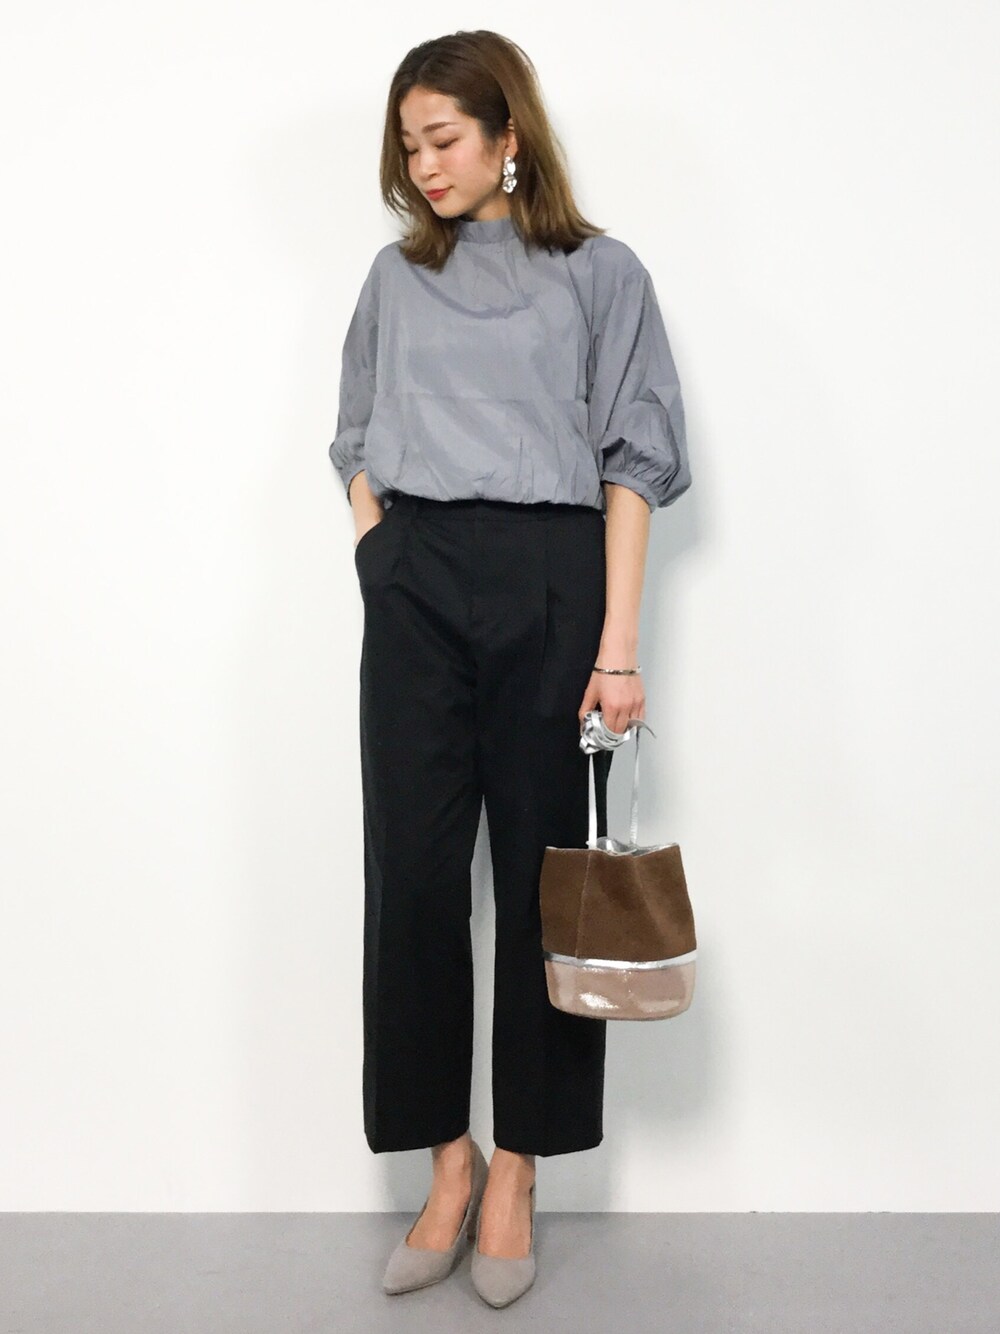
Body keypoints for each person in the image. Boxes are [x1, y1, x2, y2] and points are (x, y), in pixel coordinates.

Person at [328, 29, 691, 1309]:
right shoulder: (394, 277)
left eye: (444, 139)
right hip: (417, 580)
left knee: (546, 891)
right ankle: (447, 1160)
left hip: (550, 578)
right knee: (414, 882)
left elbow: (634, 460)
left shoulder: (599, 273)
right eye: (409, 145)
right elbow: (354, 436)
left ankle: (520, 1170)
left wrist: (617, 646)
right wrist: (382, 554)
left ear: (507, 137)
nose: (424, 166)